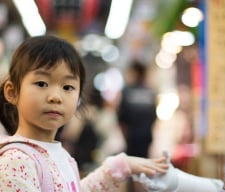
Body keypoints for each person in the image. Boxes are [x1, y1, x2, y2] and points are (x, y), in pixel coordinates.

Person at [0, 35, 168, 191]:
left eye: (67, 87)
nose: (56, 97)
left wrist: (118, 167)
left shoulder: (60, 155)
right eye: (42, 83)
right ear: (12, 92)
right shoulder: (16, 161)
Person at [117, 60, 157, 158]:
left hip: (131, 137)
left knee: (132, 166)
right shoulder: (150, 92)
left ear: (134, 72)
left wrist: (125, 134)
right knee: (144, 165)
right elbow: (154, 116)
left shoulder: (127, 91)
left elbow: (121, 116)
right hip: (146, 137)